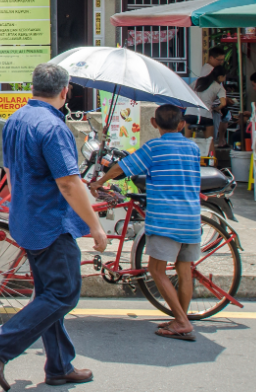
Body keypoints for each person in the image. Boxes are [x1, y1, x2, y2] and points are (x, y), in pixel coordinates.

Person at [0, 63, 107, 390]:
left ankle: (59, 366)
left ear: (33, 87)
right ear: (65, 91)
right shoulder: (53, 126)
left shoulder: (15, 120)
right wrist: (95, 226)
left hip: (26, 220)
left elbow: (11, 171)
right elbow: (68, 182)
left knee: (50, 295)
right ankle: (0, 343)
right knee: (64, 294)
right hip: (51, 224)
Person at [88, 104, 200, 341]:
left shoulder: (154, 147)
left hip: (166, 218)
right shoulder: (193, 147)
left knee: (156, 270)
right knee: (184, 270)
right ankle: (181, 319)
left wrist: (99, 182)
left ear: (154, 123)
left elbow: (122, 168)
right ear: (182, 124)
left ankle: (181, 322)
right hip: (191, 217)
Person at [185, 67, 227, 140]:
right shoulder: (219, 87)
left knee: (187, 140)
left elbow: (187, 91)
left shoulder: (198, 81)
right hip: (205, 116)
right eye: (225, 77)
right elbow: (223, 103)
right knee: (209, 141)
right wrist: (216, 108)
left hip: (190, 114)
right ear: (220, 77)